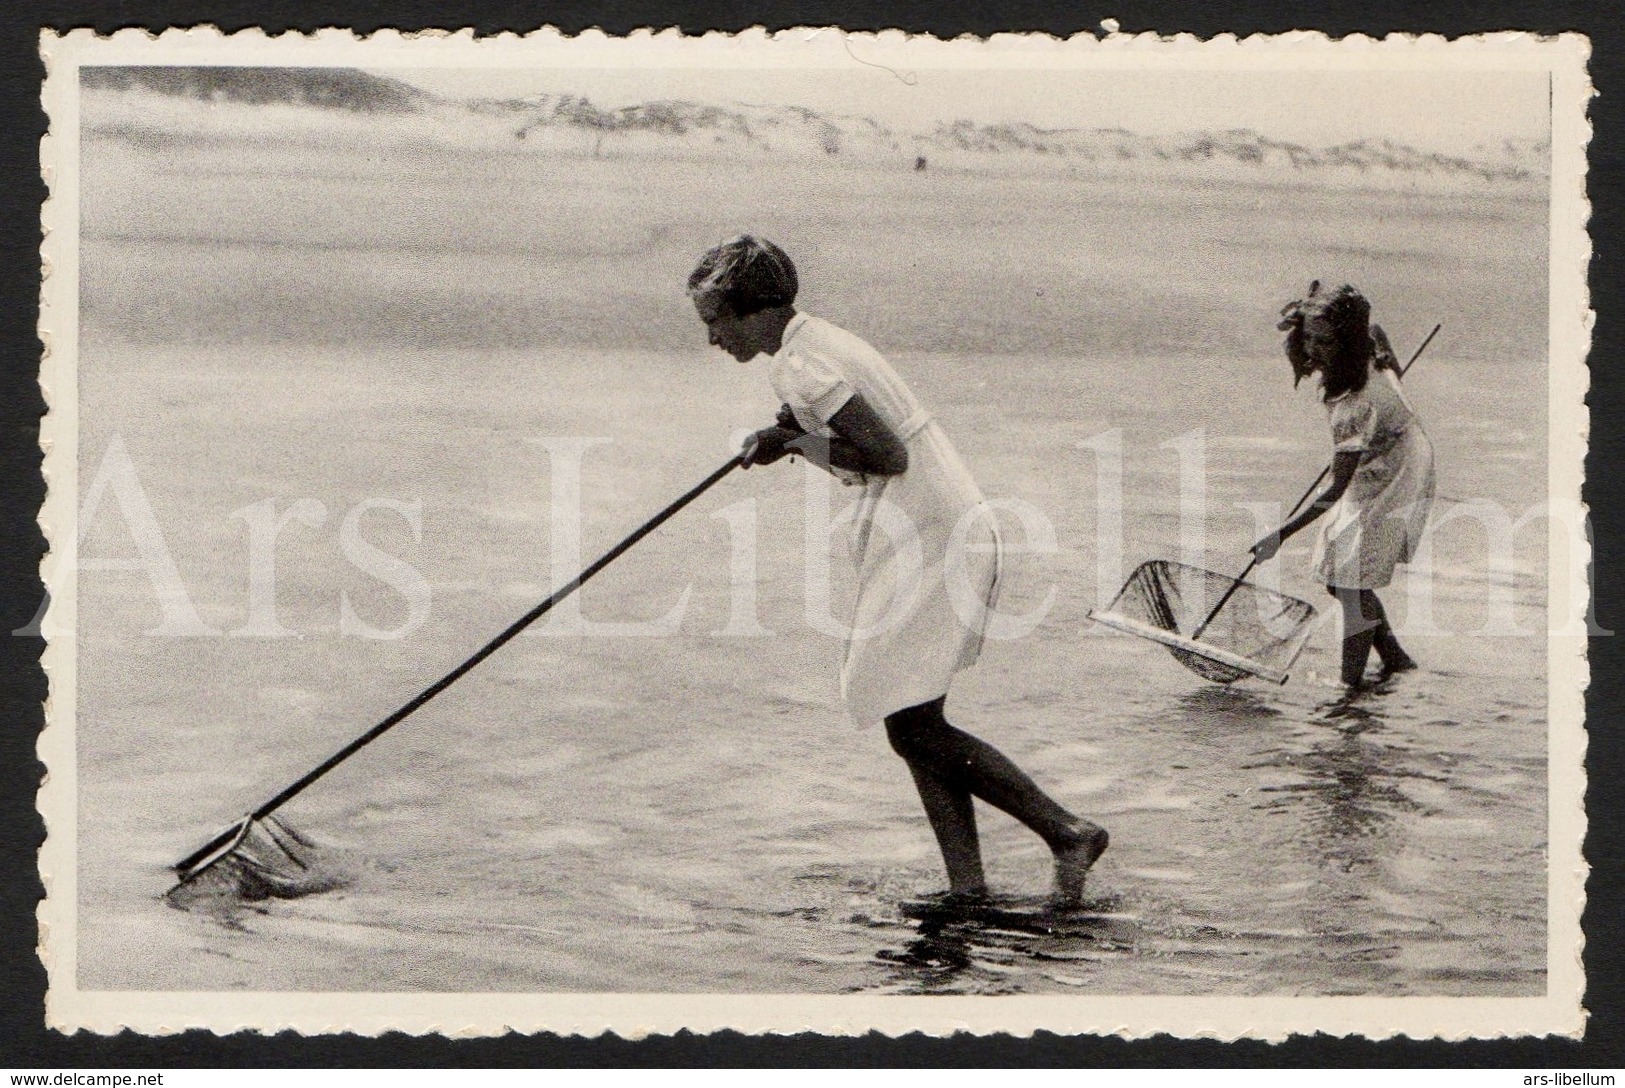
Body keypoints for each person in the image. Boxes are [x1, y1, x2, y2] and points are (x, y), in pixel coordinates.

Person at [687, 234, 1108, 902]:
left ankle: (1065, 831)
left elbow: (885, 455)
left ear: (754, 310)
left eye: (716, 321)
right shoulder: (817, 342)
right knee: (910, 717)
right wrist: (792, 430)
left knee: (909, 721)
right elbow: (847, 427)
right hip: (939, 524)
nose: (712, 338)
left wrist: (791, 439)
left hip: (928, 535)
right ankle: (967, 888)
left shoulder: (801, 364)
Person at [1251, 282, 1436, 690]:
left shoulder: (1353, 408)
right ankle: (1395, 660)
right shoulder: (1363, 345)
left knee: (1352, 579)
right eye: (1310, 339)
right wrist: (1390, 364)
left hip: (1398, 466)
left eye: (1327, 342)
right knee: (1340, 576)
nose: (1315, 350)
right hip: (1381, 442)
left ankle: (1349, 686)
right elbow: (1378, 333)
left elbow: (1335, 491)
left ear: (1347, 344)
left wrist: (1278, 537)